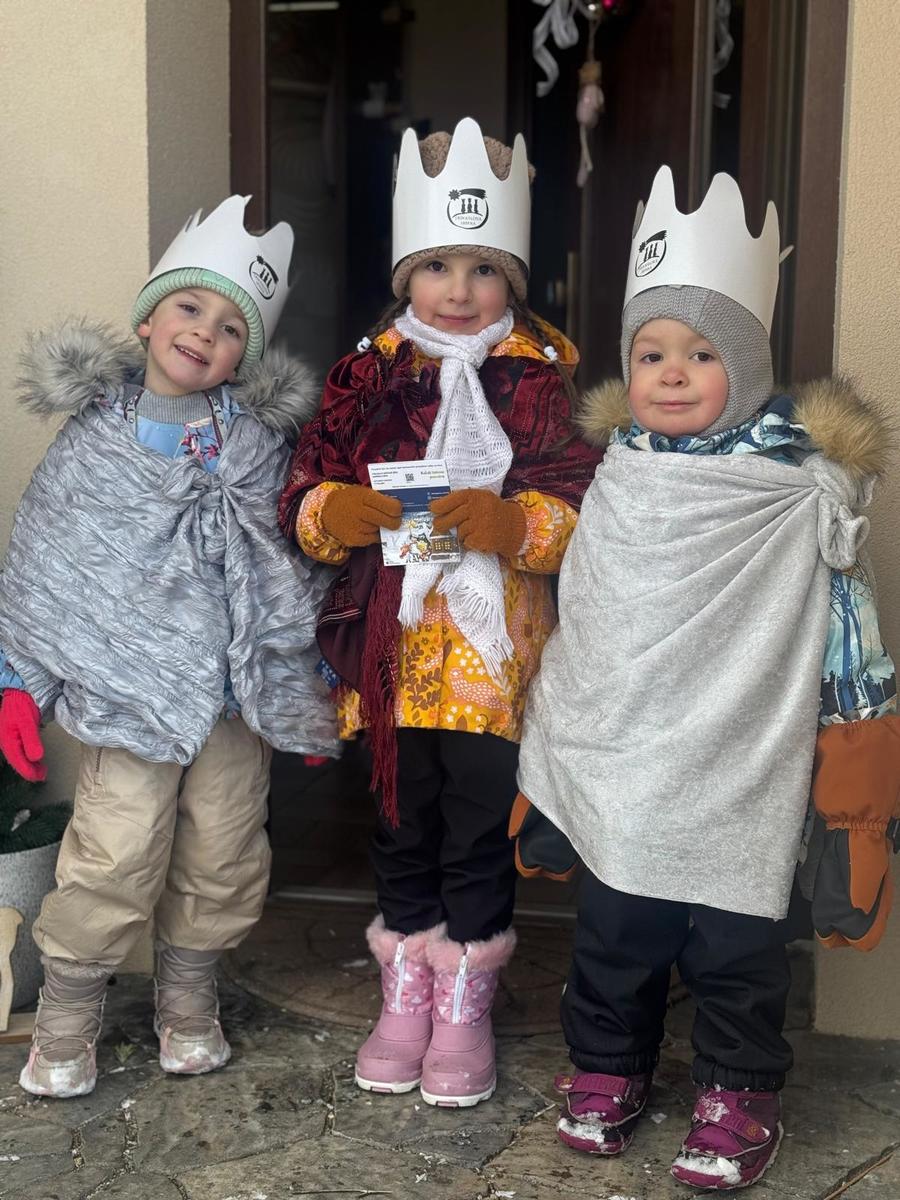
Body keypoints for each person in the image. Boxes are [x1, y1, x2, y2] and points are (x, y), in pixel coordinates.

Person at [516, 166, 900, 1190]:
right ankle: (608, 1066)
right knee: (617, 932)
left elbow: (846, 628)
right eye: (651, 354)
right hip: (628, 760)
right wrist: (559, 752)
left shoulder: (798, 493)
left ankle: (739, 1090)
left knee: (736, 946)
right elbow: (591, 624)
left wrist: (858, 760)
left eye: (702, 353)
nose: (673, 374)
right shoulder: (615, 481)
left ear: (750, 364)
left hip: (741, 761)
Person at [279, 118, 601, 1108]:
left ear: (513, 282)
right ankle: (406, 991)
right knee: (399, 819)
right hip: (395, 643)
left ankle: (464, 1000)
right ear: (406, 277)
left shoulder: (540, 380)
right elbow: (304, 488)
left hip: (494, 653)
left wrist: (514, 521)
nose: (459, 290)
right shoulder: (367, 376)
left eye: (483, 269)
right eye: (437, 268)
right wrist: (334, 511)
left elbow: (583, 501)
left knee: (477, 823)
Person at [0, 196, 338, 1098]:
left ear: (244, 357)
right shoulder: (94, 443)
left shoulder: (258, 446)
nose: (204, 334)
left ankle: (188, 999)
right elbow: (49, 559)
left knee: (224, 851)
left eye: (231, 328)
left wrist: (306, 680)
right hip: (128, 695)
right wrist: (16, 683)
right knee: (114, 850)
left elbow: (289, 562)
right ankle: (68, 1016)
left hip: (232, 699)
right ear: (148, 318)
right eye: (190, 308)